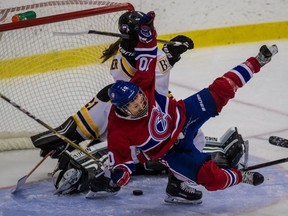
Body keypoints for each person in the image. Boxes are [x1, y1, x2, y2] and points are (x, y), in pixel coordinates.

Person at [31, 11, 247, 197]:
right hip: (137, 119)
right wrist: (167, 55)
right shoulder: (125, 66)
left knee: (191, 137)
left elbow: (153, 69)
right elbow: (142, 82)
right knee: (135, 154)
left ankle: (175, 183)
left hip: (155, 108)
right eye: (141, 31)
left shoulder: (140, 52)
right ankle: (105, 176)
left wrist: (170, 54)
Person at [92, 11, 278, 204]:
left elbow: (146, 54)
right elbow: (120, 157)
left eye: (138, 97)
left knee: (220, 89)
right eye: (134, 104)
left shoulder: (141, 84)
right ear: (123, 109)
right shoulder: (119, 129)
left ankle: (257, 61)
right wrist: (121, 173)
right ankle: (240, 177)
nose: (140, 102)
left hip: (183, 114)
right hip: (172, 151)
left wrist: (148, 33)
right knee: (213, 178)